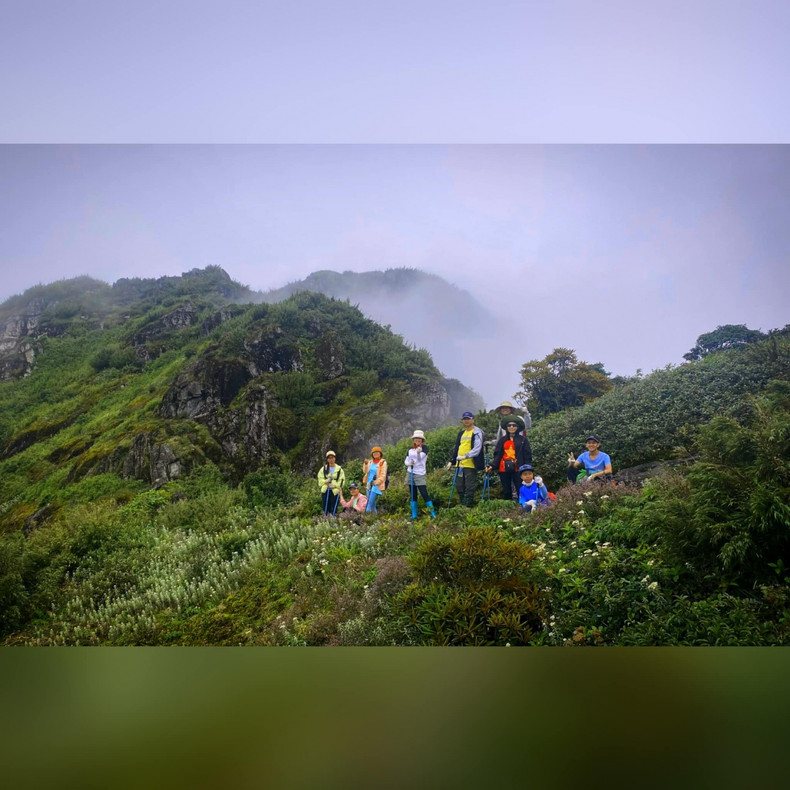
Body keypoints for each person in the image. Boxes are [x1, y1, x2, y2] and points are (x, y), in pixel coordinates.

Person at [487, 415, 532, 501]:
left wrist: (528, 467)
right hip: (503, 468)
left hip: (518, 468)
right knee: (506, 490)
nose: (511, 427)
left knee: (521, 488)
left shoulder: (523, 440)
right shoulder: (502, 440)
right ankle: (508, 510)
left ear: (518, 427)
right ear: (506, 427)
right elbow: (498, 455)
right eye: (509, 425)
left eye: (514, 425)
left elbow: (527, 455)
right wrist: (492, 466)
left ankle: (523, 507)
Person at [446, 411, 485, 507]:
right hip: (459, 465)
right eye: (464, 419)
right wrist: (452, 461)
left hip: (470, 464)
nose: (466, 421)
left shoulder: (477, 432)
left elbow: (477, 448)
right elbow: (457, 448)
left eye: (468, 419)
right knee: (459, 486)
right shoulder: (461, 433)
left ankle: (468, 507)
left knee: (469, 486)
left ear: (473, 420)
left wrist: (466, 456)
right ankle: (462, 506)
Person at [404, 429, 437, 518]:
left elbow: (420, 459)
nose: (417, 441)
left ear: (422, 440)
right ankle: (414, 515)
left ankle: (433, 513)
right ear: (414, 440)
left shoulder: (425, 448)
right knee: (413, 493)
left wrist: (418, 453)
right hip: (410, 472)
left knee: (423, 492)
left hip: (420, 473)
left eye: (419, 439)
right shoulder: (410, 450)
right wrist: (409, 463)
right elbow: (406, 461)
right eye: (416, 439)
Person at [363, 446, 388, 513]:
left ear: (380, 453)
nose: (376, 454)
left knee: (369, 503)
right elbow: (365, 472)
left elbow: (383, 475)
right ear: (372, 454)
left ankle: (366, 519)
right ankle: (375, 519)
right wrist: (365, 464)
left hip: (376, 485)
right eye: (374, 453)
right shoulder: (370, 462)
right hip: (369, 484)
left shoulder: (383, 462)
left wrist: (376, 482)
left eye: (377, 452)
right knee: (372, 504)